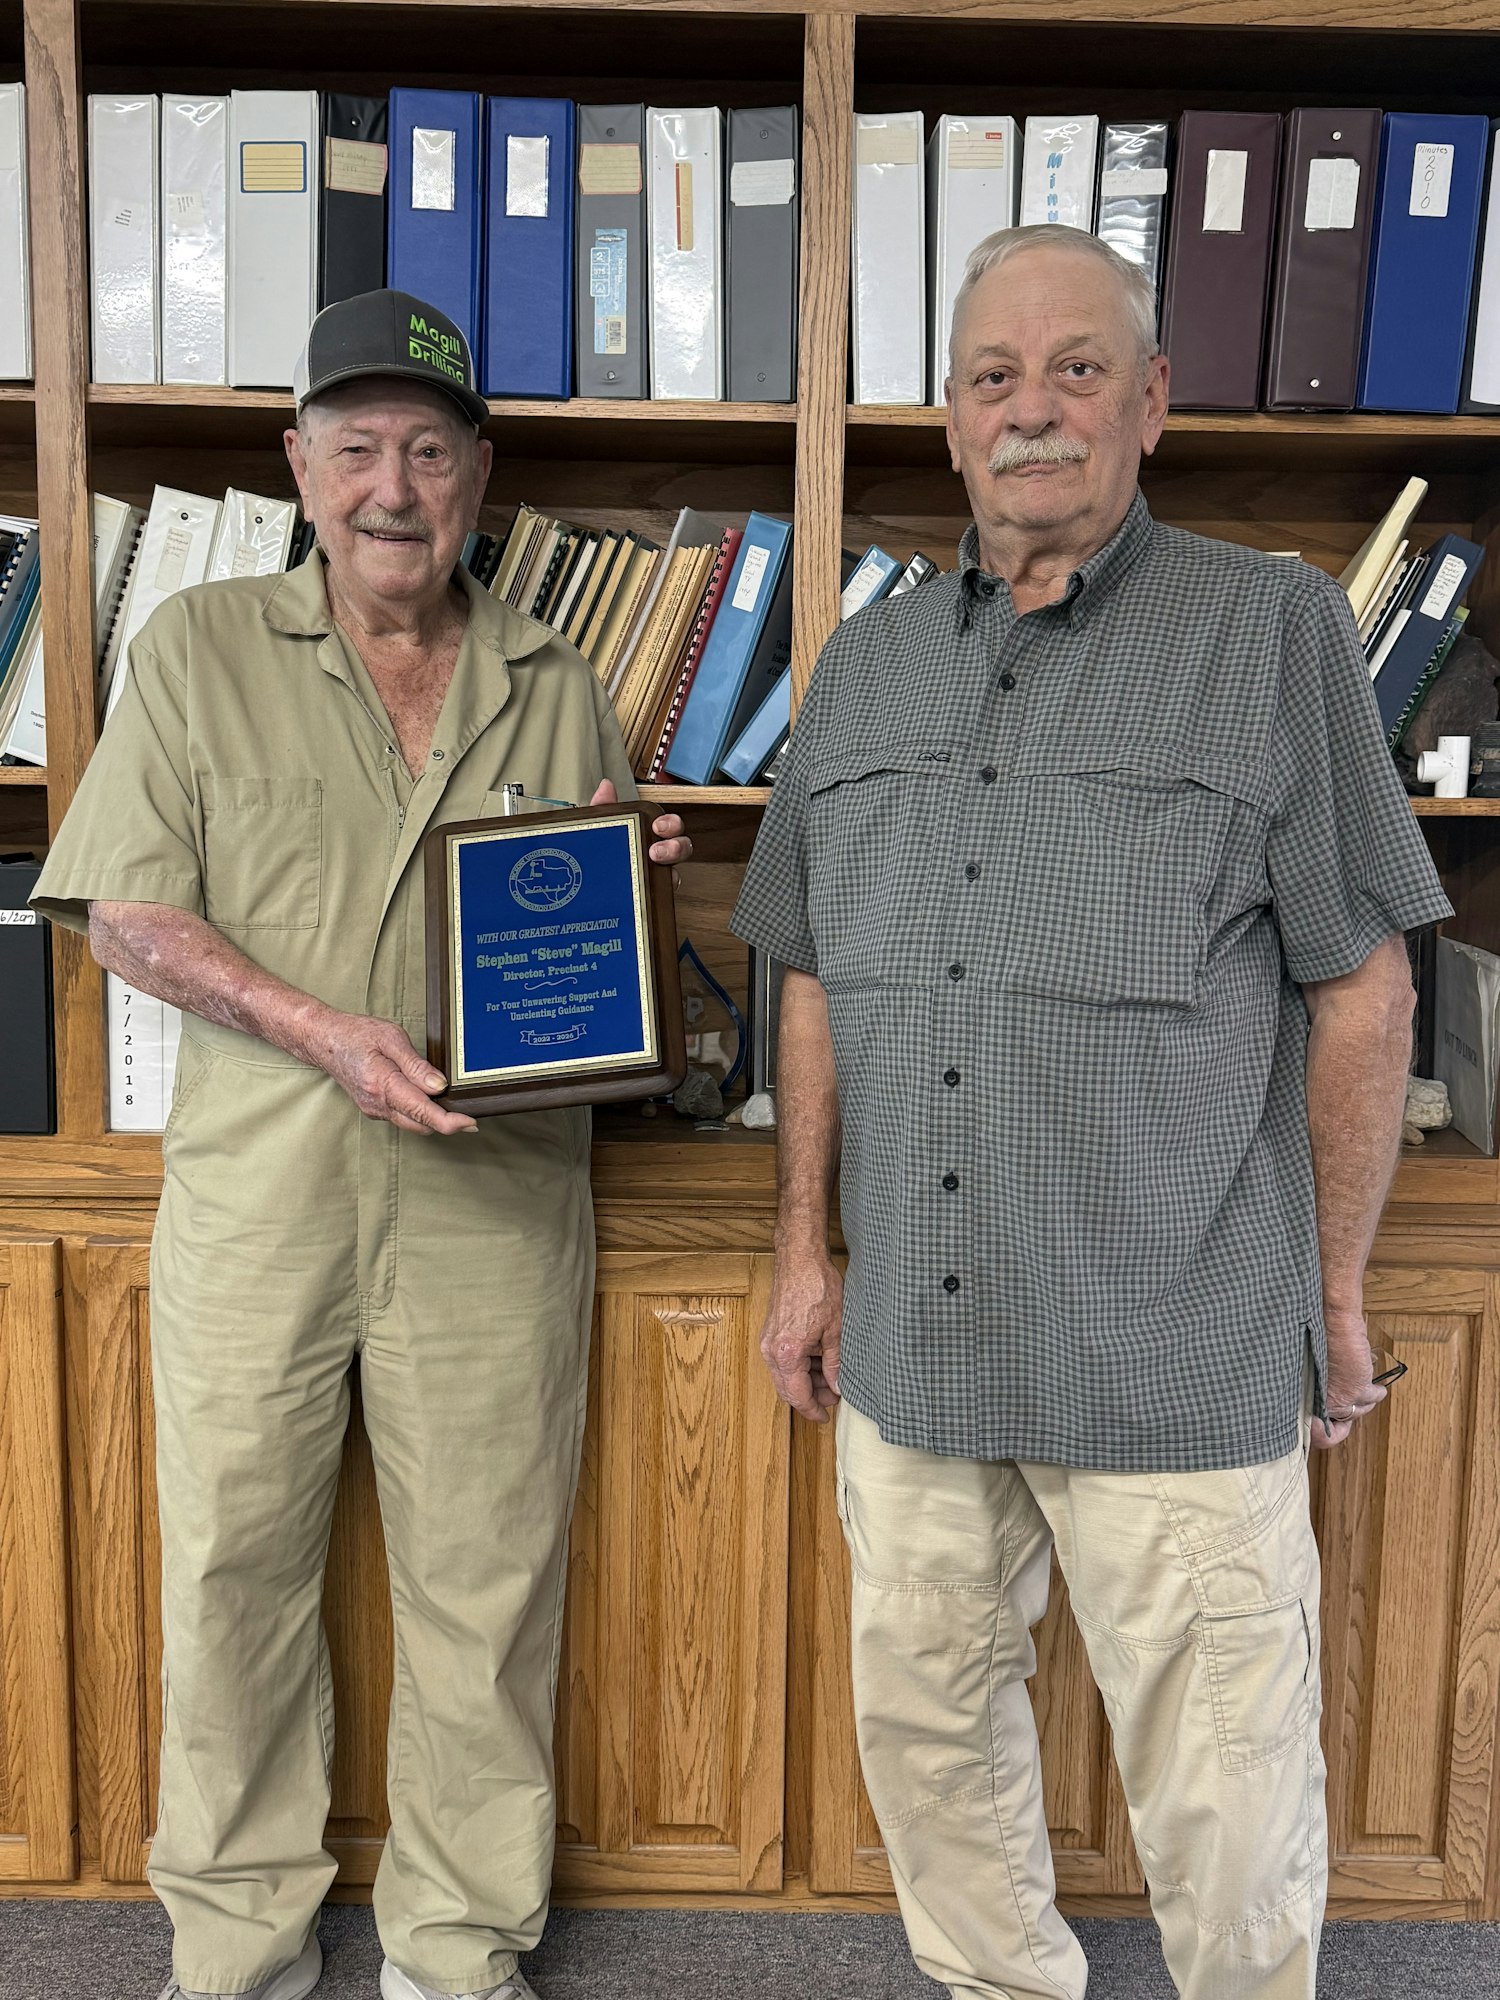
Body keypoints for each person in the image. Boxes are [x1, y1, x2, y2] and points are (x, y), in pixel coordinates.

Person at [730, 225, 1451, 2000]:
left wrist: (1338, 1296)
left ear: (1150, 404)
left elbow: (1363, 978)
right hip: (915, 1335)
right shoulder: (863, 666)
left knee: (1227, 1795)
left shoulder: (1270, 629)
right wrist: (802, 1248)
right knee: (930, 1747)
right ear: (948, 418)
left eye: (1075, 370)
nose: (1031, 410)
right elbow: (809, 964)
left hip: (1179, 1342)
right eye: (993, 376)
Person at [32, 288, 691, 2000]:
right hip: (265, 1205)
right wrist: (323, 1029)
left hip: (496, 1208)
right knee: (232, 1571)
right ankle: (237, 1939)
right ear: (298, 469)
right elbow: (126, 917)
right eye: (354, 448)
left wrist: (628, 905)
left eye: (425, 447)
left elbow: (572, 947)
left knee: (488, 1589)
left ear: (480, 471)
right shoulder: (191, 650)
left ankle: (458, 1947)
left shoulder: (561, 684)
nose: (391, 486)